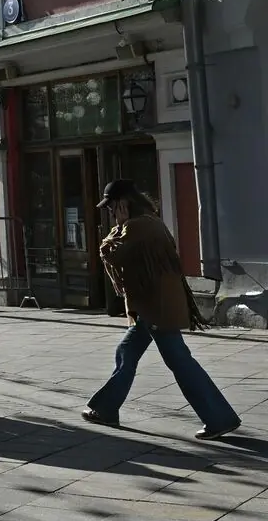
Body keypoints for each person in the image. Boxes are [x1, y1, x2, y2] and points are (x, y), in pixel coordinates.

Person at [84, 180, 239, 440]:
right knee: (127, 353)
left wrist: (118, 228)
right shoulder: (148, 221)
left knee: (179, 361)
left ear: (123, 203)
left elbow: (112, 253)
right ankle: (106, 409)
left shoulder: (137, 226)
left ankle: (218, 418)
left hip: (156, 307)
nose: (110, 211)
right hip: (153, 305)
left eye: (112, 206)